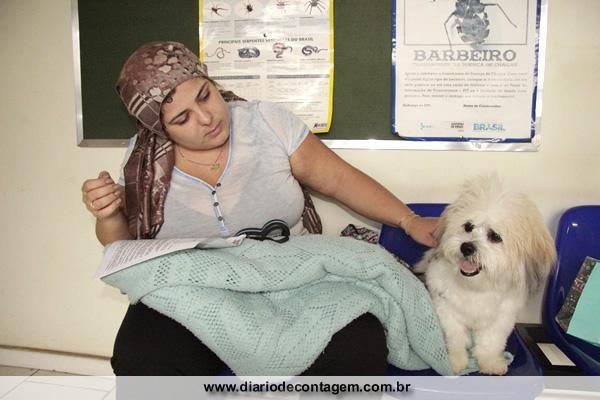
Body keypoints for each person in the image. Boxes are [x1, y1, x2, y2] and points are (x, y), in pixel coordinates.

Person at [81, 41, 438, 376]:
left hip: (294, 277)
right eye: (182, 118)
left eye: (205, 95)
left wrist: (408, 220)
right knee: (142, 355)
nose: (206, 118)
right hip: (196, 288)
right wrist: (108, 215)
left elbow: (339, 180)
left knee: (357, 346)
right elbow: (122, 248)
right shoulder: (144, 162)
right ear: (160, 129)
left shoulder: (267, 123)